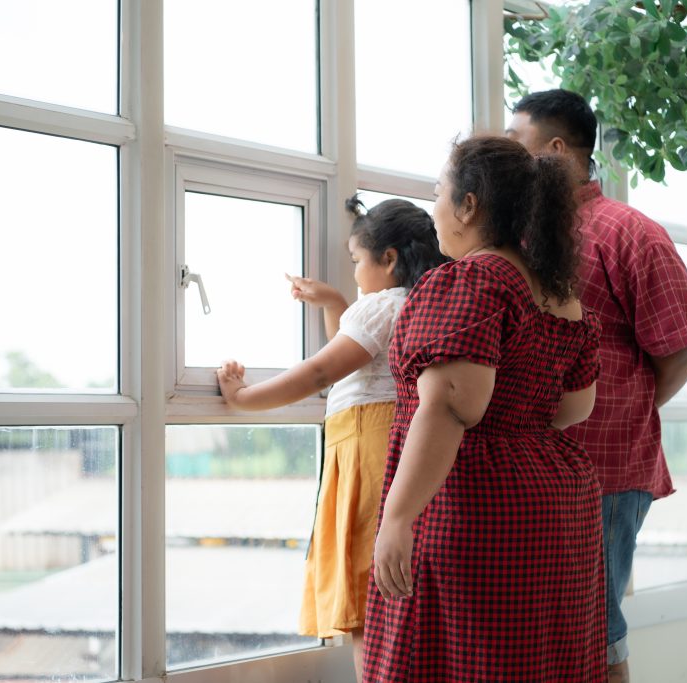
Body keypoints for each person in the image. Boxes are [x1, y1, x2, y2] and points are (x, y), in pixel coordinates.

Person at [362, 135, 606, 682]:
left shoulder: (473, 279)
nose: (434, 208)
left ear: (469, 205)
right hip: (556, 506)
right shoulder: (560, 295)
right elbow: (573, 408)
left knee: (457, 660)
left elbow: (450, 406)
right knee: (536, 661)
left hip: (476, 503)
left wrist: (398, 518)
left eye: (438, 192)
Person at [507, 88, 687, 683]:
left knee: (597, 631)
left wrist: (628, 407)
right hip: (533, 466)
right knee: (549, 632)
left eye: (518, 143)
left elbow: (680, 344)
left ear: (556, 149)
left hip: (606, 468)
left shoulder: (629, 233)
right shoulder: (519, 235)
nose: (511, 157)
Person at [216, 194, 448, 681]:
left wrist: (244, 396)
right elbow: (359, 365)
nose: (355, 272)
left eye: (356, 262)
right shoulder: (420, 301)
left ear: (388, 260)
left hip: (367, 445)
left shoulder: (380, 306)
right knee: (389, 584)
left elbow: (322, 371)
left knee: (366, 586)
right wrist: (336, 304)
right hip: (392, 443)